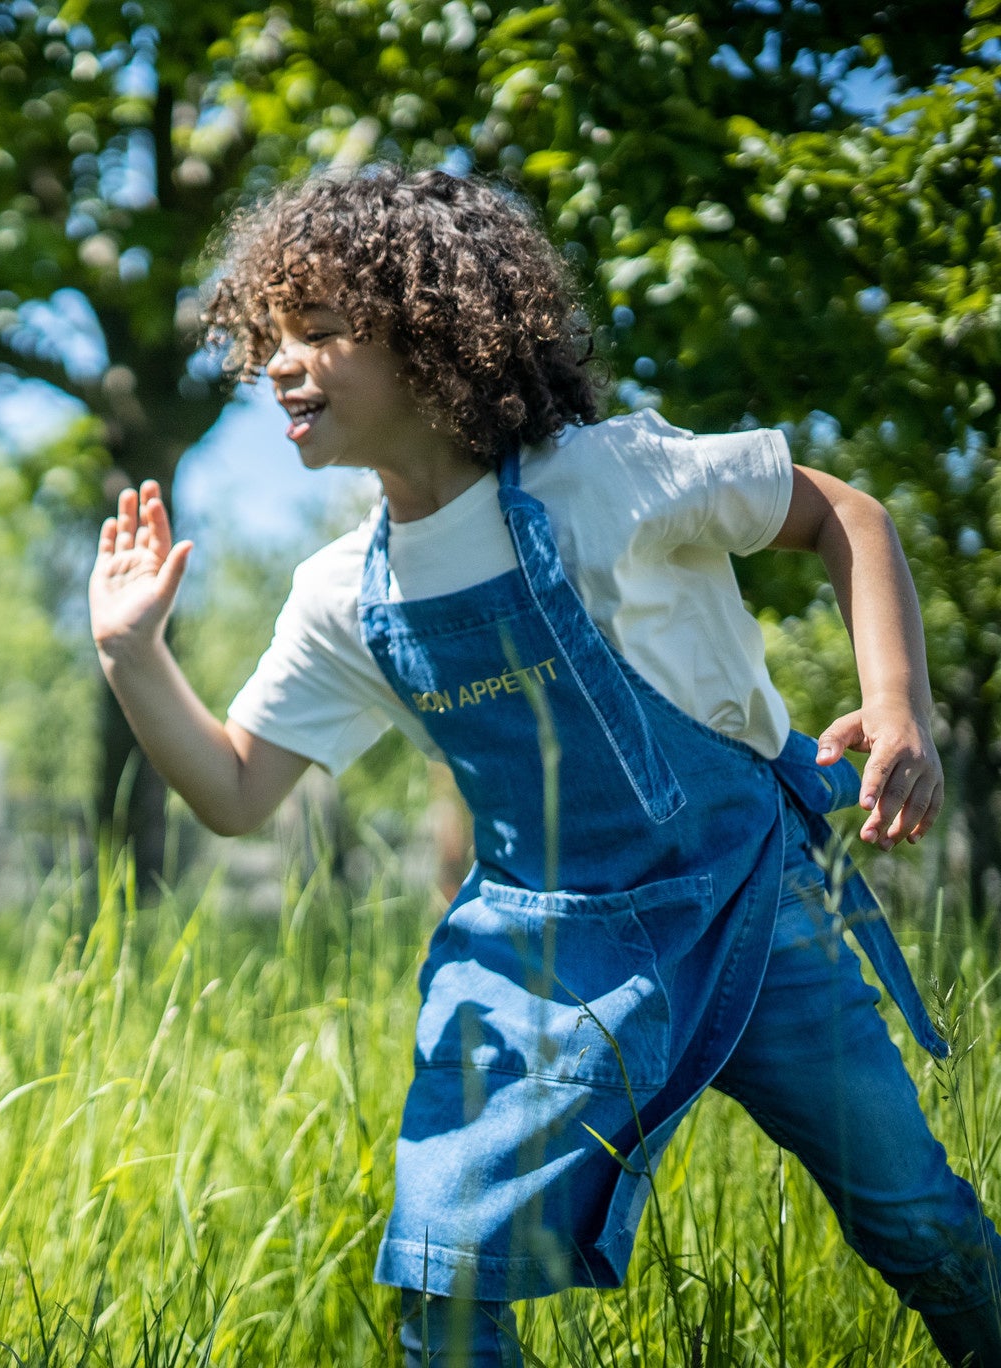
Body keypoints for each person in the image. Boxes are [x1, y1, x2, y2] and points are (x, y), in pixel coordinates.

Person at [86, 167, 1000, 1366]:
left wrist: (896, 707)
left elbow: (842, 513)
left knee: (913, 1219)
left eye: (317, 331)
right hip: (542, 952)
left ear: (428, 339)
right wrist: (130, 654)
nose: (279, 366)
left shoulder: (602, 479)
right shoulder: (338, 596)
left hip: (750, 908)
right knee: (443, 1286)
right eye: (270, 339)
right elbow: (231, 792)